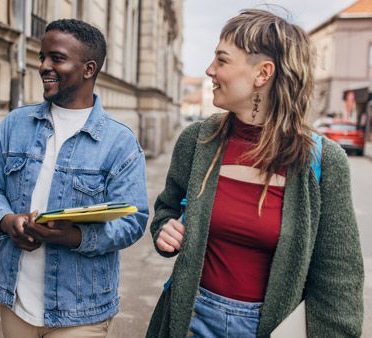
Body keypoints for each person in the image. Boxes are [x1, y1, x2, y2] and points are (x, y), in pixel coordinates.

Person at [146, 9, 363, 338]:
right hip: (190, 319)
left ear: (263, 73)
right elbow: (167, 209)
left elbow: (338, 279)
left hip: (271, 328)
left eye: (222, 60)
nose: (209, 70)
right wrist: (165, 231)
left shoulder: (323, 161)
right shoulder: (197, 141)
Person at [0, 19, 148, 338]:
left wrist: (74, 237)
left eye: (57, 58)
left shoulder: (119, 142)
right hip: (15, 300)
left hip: (81, 310)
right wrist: (7, 221)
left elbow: (134, 221)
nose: (44, 66)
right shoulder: (16, 125)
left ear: (88, 68)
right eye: (42, 57)